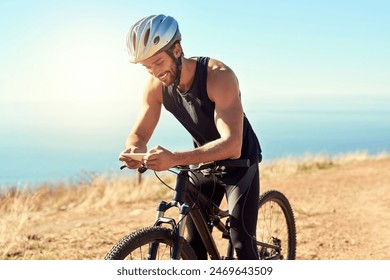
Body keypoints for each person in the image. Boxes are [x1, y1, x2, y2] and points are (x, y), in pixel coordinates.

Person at [119, 14, 262, 260]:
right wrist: (134, 148)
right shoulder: (156, 86)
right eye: (147, 67)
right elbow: (140, 133)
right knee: (193, 245)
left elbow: (232, 145)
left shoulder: (219, 76)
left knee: (241, 245)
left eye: (158, 62)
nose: (155, 72)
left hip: (240, 163)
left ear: (177, 49)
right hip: (203, 164)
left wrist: (173, 158)